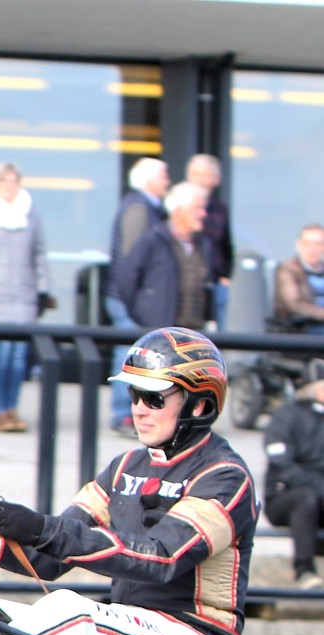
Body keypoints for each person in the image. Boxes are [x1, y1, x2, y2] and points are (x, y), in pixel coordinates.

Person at [0, 327, 255, 635]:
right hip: (130, 627)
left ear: (198, 405)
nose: (139, 409)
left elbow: (161, 558)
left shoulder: (225, 477)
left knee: (71, 614)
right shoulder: (124, 467)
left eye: (154, 397)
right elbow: (48, 560)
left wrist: (44, 527)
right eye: (134, 394)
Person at [0, 162, 52, 434]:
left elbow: (39, 254)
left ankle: (12, 408)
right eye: (5, 181)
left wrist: (43, 289)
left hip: (24, 294)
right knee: (1, 354)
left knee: (18, 358)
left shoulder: (30, 213)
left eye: (14, 180)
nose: (10, 186)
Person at [104, 157, 170, 436]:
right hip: (129, 297)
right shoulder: (138, 209)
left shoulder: (151, 208)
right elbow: (133, 259)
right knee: (129, 353)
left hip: (135, 296)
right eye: (163, 176)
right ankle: (123, 414)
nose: (168, 181)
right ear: (148, 180)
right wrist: (138, 297)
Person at [113, 183, 212, 353]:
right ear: (179, 210)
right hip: (160, 335)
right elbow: (126, 279)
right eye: (197, 208)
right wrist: (144, 315)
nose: (203, 214)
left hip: (194, 335)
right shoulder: (154, 240)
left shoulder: (203, 244)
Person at [262, 358, 324, 589]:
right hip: (286, 499)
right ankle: (304, 571)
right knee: (306, 498)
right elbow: (281, 464)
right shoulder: (286, 416)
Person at [187, 154, 233, 330]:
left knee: (213, 338)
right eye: (194, 174)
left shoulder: (220, 208)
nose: (197, 180)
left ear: (216, 180)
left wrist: (225, 275)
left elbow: (226, 245)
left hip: (214, 282)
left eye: (203, 175)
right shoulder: (177, 204)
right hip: (188, 287)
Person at [272, 223, 324, 334]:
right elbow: (294, 304)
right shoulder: (288, 270)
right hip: (300, 330)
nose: (313, 249)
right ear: (299, 245)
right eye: (308, 243)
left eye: (318, 244)